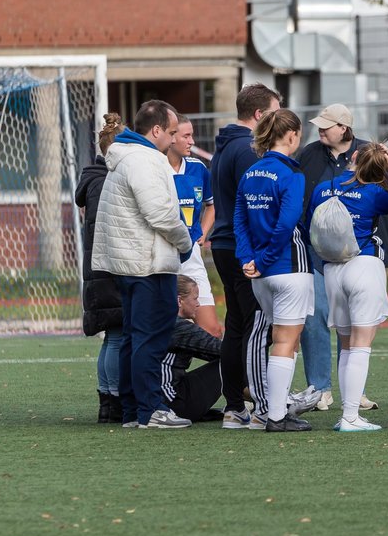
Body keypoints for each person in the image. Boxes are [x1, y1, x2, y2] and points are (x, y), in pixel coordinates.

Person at [91, 100, 193, 429]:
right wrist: (185, 240)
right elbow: (161, 213)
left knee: (134, 339)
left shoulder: (123, 157)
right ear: (157, 130)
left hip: (128, 262)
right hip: (147, 263)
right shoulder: (144, 160)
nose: (175, 139)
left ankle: (134, 411)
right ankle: (151, 410)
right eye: (173, 132)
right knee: (150, 339)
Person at [297, 102, 388, 413]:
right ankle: (319, 388)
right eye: (320, 124)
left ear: (344, 128)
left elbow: (387, 196)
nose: (321, 129)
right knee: (317, 316)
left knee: (352, 325)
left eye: (328, 124)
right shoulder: (310, 154)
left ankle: (354, 392)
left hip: (361, 253)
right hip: (319, 252)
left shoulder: (367, 151)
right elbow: (304, 201)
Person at [307, 142, 388, 432]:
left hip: (332, 270)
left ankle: (347, 415)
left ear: (354, 157)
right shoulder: (375, 192)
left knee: (347, 344)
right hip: (363, 266)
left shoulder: (322, 188)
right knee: (361, 345)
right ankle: (350, 416)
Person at [234, 108, 314, 432]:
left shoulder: (250, 173)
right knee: (286, 341)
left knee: (282, 341)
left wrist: (247, 259)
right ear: (292, 135)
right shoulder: (292, 175)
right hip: (288, 267)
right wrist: (264, 259)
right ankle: (277, 416)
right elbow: (287, 224)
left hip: (260, 275)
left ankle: (277, 410)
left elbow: (240, 221)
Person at [210, 83, 280, 429]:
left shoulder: (225, 147)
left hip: (223, 243)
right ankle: (260, 401)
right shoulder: (247, 149)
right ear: (259, 114)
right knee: (253, 325)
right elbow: (255, 204)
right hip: (241, 246)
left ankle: (234, 404)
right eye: (274, 113)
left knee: (237, 324)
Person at [75, 112, 125, 423]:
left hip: (97, 267)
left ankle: (107, 400)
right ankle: (114, 401)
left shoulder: (92, 179)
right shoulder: (109, 180)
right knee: (118, 335)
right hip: (110, 265)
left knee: (112, 337)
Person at [168, 114, 221, 337]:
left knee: (212, 330)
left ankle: (188, 372)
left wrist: (203, 231)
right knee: (165, 327)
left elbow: (212, 205)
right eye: (186, 136)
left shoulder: (198, 168)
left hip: (191, 256)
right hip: (163, 255)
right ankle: (170, 371)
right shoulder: (154, 167)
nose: (191, 142)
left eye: (192, 136)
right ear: (171, 137)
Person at [160, 275, 225, 423]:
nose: (198, 304)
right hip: (174, 403)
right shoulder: (179, 327)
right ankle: (262, 402)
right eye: (195, 298)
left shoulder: (160, 320)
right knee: (232, 361)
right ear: (179, 301)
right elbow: (223, 351)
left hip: (154, 401)